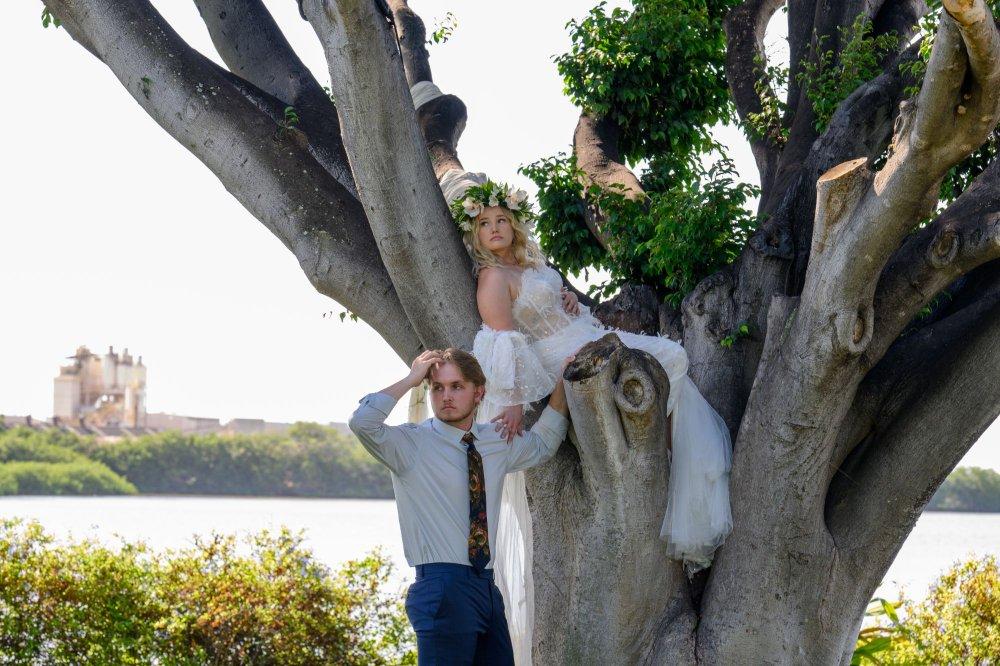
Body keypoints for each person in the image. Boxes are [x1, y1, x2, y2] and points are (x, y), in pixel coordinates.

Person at [437, 168, 734, 665]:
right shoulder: (492, 278)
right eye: (484, 223)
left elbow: (549, 302)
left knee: (672, 357)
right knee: (668, 357)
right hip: (560, 354)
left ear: (513, 222)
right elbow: (504, 340)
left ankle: (669, 454)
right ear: (476, 234)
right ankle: (668, 459)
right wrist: (512, 399)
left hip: (582, 332)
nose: (495, 228)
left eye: (501, 219)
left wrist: (568, 299)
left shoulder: (530, 263)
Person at [349, 347, 571, 665]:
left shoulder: (495, 441)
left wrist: (563, 382)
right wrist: (411, 379)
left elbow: (543, 444)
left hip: (486, 588)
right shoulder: (410, 444)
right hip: (441, 587)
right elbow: (362, 422)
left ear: (478, 392)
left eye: (456, 386)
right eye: (437, 388)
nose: (446, 396)